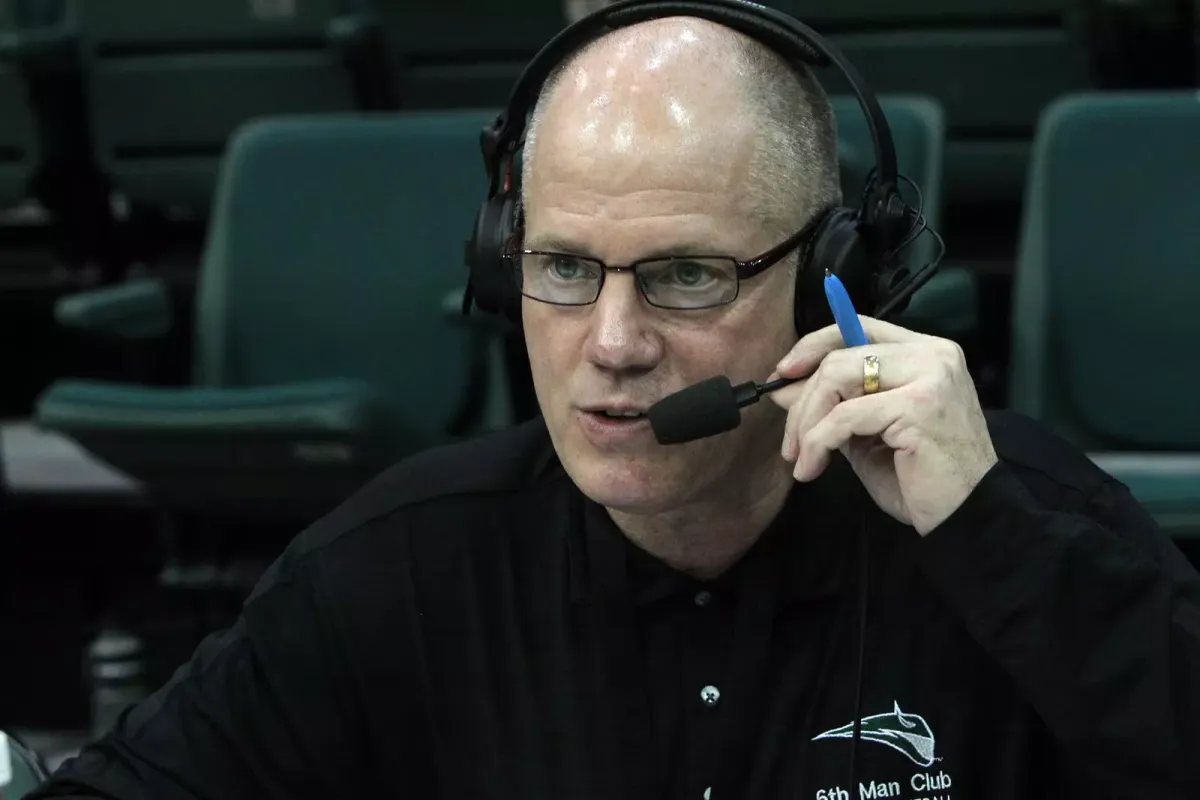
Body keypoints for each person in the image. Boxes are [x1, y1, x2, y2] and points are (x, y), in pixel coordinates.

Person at [29, 10, 1200, 800]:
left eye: (688, 275)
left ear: (831, 277)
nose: (616, 342)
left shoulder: (1019, 526)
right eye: (564, 267)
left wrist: (997, 544)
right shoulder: (399, 565)